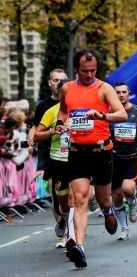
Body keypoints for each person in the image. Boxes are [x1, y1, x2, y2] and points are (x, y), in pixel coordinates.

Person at [57, 49, 127, 268]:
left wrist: (102, 116)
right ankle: (80, 246)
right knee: (80, 198)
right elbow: (63, 111)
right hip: (77, 151)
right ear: (76, 69)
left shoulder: (104, 88)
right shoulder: (67, 88)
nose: (89, 75)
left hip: (101, 151)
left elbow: (122, 114)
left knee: (104, 198)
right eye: (85, 71)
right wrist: (60, 124)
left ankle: (108, 211)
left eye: (93, 70)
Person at [34, 78, 76, 251]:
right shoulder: (51, 112)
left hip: (77, 159)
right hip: (58, 161)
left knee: (76, 198)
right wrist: (52, 131)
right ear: (59, 94)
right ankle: (63, 219)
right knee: (64, 202)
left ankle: (72, 238)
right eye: (63, 93)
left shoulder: (80, 111)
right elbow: (37, 135)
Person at [30, 69, 68, 245]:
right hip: (49, 152)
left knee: (78, 194)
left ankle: (72, 232)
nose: (58, 83)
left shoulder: (75, 104)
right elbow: (36, 128)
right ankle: (61, 223)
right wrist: (32, 141)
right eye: (55, 80)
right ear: (50, 82)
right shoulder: (45, 106)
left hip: (72, 153)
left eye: (62, 80)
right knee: (56, 192)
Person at [110, 82, 137, 241]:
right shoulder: (109, 113)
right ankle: (124, 228)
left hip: (132, 156)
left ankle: (133, 200)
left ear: (129, 93)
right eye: (117, 92)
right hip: (114, 157)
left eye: (123, 92)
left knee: (127, 188)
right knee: (116, 195)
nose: (121, 95)